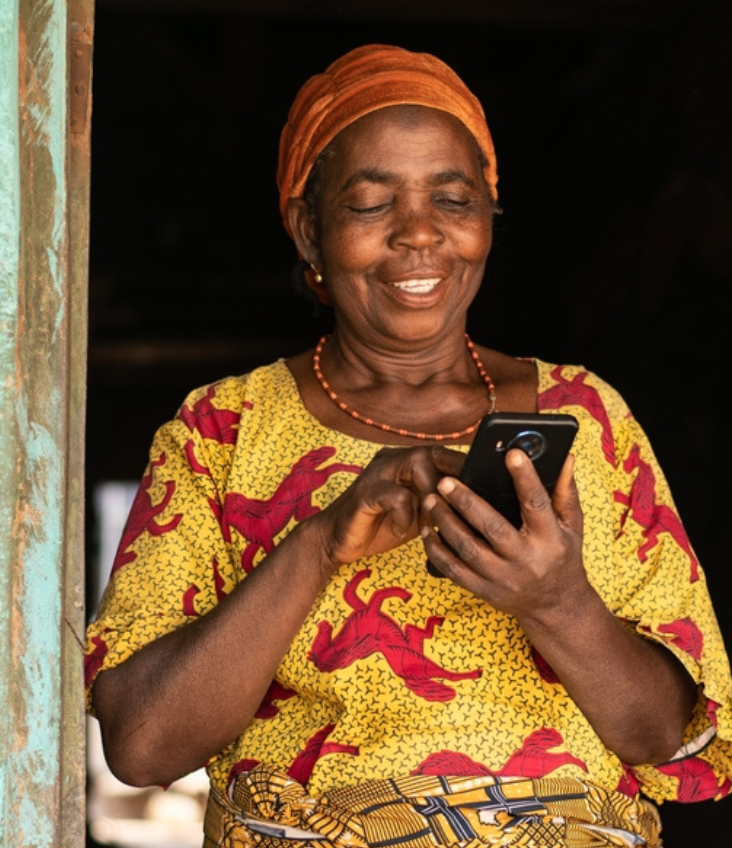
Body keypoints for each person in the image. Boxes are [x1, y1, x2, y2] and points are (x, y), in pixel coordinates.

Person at [84, 44, 732, 848]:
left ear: (489, 218)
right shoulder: (222, 429)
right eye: (369, 204)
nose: (419, 234)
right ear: (307, 231)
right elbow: (144, 745)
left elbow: (665, 739)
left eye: (453, 199)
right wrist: (321, 542)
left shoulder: (586, 415)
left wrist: (558, 603)